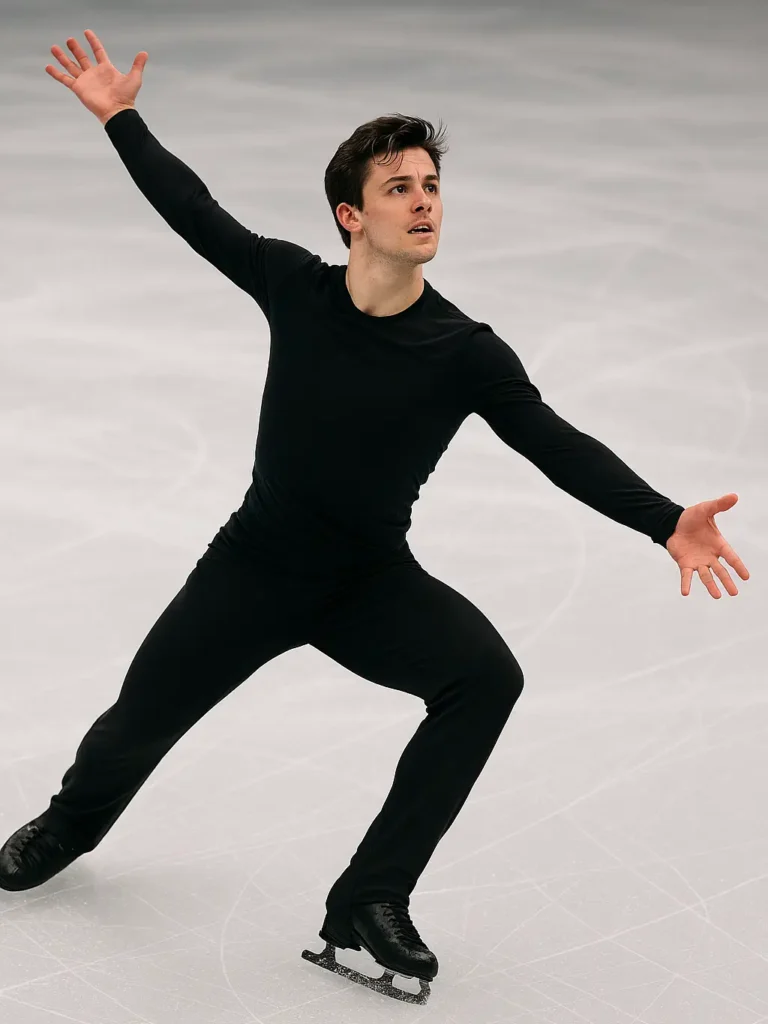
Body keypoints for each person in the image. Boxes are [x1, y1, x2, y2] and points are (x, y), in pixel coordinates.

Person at [1, 30, 749, 1006]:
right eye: (399, 187)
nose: (424, 198)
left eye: (432, 184)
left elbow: (552, 441)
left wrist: (663, 521)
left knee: (486, 678)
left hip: (367, 581)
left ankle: (370, 895)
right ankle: (69, 824)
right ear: (352, 214)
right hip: (254, 568)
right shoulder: (294, 287)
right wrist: (119, 115)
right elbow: (194, 211)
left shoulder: (463, 350)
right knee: (135, 723)